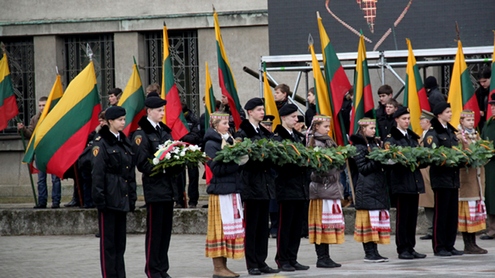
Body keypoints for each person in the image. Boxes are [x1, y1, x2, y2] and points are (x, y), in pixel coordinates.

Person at [132, 94, 176, 278]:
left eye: (163, 110)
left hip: (168, 189)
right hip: (155, 188)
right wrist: (162, 167)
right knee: (155, 232)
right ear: (149, 111)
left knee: (165, 232)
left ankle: (162, 268)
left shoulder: (164, 132)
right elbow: (143, 163)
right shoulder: (141, 134)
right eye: (159, 110)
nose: (162, 113)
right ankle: (152, 269)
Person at [235, 98, 279, 276]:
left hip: (265, 184)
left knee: (263, 227)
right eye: (259, 110)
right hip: (251, 184)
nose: (262, 112)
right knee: (252, 226)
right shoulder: (242, 133)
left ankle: (261, 261)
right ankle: (252, 263)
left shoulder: (263, 132)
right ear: (250, 112)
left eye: (262, 109)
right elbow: (241, 161)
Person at [92, 106, 136, 278]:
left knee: (120, 243)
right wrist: (100, 199)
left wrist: (131, 197)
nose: (123, 123)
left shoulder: (124, 141)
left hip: (122, 196)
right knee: (108, 244)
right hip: (109, 198)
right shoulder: (101, 142)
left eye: (124, 119)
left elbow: (129, 171)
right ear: (110, 121)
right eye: (119, 120)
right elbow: (97, 173)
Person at [204, 113, 245, 278]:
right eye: (224, 123)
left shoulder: (230, 141)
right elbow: (217, 169)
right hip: (220, 192)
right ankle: (218, 268)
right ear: (215, 125)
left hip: (232, 189)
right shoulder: (210, 144)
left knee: (227, 231)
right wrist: (237, 163)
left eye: (228, 123)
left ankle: (224, 267)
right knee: (218, 230)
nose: (228, 126)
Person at [384, 107, 427, 260]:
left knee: (412, 217)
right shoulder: (391, 138)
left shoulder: (412, 137)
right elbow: (390, 161)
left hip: (413, 181)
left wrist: (423, 158)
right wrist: (404, 160)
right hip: (401, 182)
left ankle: (411, 246)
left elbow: (420, 160)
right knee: (403, 218)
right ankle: (402, 248)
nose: (407, 121)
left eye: (408, 118)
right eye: (404, 119)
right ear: (396, 119)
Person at [273, 104, 310, 272]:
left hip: (300, 187)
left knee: (297, 227)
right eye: (293, 117)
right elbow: (280, 165)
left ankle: (293, 258)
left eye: (297, 117)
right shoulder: (278, 138)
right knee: (285, 226)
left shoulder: (298, 137)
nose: (297, 120)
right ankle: (282, 259)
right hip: (286, 188)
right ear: (284, 118)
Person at [423, 102, 463, 256]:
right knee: (441, 214)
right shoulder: (433, 133)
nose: (450, 114)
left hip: (453, 177)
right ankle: (439, 246)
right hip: (441, 178)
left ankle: (449, 244)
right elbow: (432, 155)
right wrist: (448, 159)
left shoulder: (450, 131)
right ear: (439, 114)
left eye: (450, 111)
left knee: (452, 214)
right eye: (447, 112)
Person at [350, 118, 390, 263]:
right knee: (368, 223)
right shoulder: (359, 147)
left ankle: (375, 252)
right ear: (362, 129)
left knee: (375, 222)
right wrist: (377, 160)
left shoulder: (376, 144)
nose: (374, 131)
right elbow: (362, 169)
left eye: (374, 128)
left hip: (377, 186)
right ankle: (369, 252)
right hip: (366, 187)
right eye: (371, 128)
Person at [306, 115, 344, 268]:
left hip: (331, 187)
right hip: (321, 189)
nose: (328, 129)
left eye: (329, 127)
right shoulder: (316, 143)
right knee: (321, 224)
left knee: (327, 224)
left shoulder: (329, 142)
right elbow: (317, 169)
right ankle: (321, 257)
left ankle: (326, 256)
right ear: (316, 127)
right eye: (325, 127)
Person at [17, 96, 62, 209]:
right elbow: (30, 134)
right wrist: (22, 129)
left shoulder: (54, 116)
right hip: (40, 152)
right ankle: (42, 202)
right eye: (40, 105)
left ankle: (56, 201)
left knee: (55, 178)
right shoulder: (35, 119)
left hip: (53, 151)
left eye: (44, 105)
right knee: (41, 179)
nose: (42, 107)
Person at [456, 110, 488, 254]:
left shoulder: (476, 135)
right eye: (468, 120)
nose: (471, 123)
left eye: (472, 120)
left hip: (477, 179)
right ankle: (468, 243)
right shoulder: (459, 136)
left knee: (475, 214)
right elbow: (459, 155)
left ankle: (473, 243)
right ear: (461, 121)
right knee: (467, 213)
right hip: (467, 180)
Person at [177, 102, 201, 208]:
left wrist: (182, 137)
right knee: (178, 176)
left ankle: (193, 200)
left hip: (191, 150)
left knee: (193, 176)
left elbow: (195, 136)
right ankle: (179, 200)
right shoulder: (175, 118)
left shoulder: (193, 119)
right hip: (178, 151)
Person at [418, 110, 435, 240]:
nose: (419, 123)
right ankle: (431, 228)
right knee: (427, 202)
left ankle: (434, 228)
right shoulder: (421, 136)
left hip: (430, 172)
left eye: (421, 121)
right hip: (423, 174)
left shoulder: (431, 135)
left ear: (427, 122)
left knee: (433, 201)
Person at [481, 94, 495, 241]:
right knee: (491, 197)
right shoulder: (489, 124)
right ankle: (492, 228)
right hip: (490, 166)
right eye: (492, 106)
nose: (493, 109)